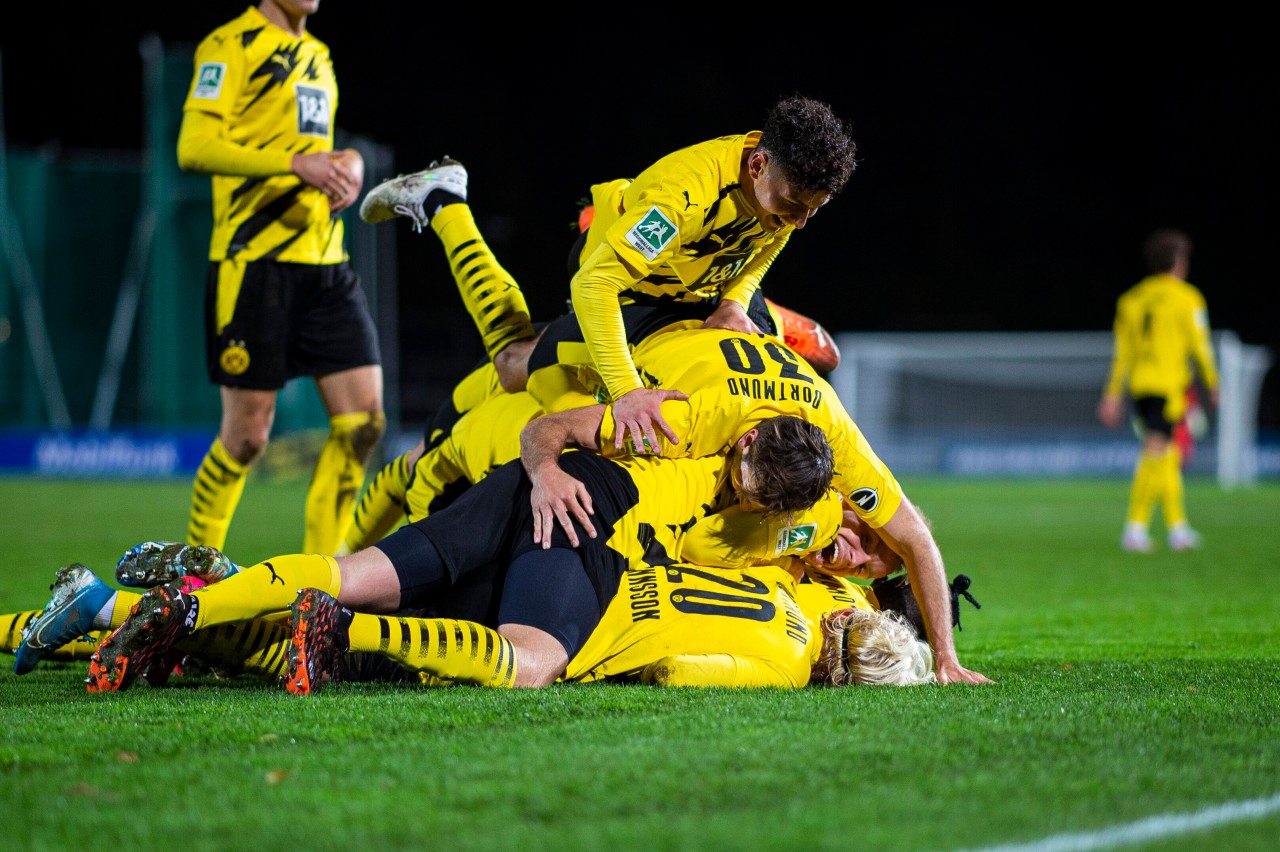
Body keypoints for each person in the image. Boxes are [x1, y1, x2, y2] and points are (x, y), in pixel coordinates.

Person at [85, 403, 838, 693]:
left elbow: (545, 423)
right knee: (532, 663)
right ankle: (333, 630)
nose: (745, 497)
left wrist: (538, 470)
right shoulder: (677, 413)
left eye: (760, 499)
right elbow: (550, 423)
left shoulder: (759, 503)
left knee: (358, 573)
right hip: (579, 521)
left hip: (510, 488)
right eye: (747, 480)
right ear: (746, 437)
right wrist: (549, 475)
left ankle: (178, 607)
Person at [359, 93, 857, 451]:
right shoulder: (683, 197)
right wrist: (628, 394)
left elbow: (767, 243)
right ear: (757, 164)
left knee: (817, 362)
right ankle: (444, 201)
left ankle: (756, 311)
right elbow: (594, 284)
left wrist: (735, 299)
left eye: (815, 209)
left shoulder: (787, 187)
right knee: (513, 367)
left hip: (701, 282)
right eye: (793, 204)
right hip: (634, 288)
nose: (799, 220)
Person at [177, 0, 385, 555]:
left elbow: (318, 149)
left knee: (363, 424)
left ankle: (324, 584)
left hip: (326, 265)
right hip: (254, 265)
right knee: (247, 439)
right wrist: (296, 166)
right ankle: (193, 579)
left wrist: (350, 166)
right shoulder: (230, 44)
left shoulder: (318, 54)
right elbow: (192, 146)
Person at [1097, 228, 1219, 553]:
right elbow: (1200, 345)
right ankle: (1135, 528)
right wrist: (1212, 382)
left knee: (1167, 455)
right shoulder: (1188, 298)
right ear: (1179, 261)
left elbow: (1121, 352)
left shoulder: (1131, 299)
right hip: (1168, 386)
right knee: (1156, 454)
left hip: (1141, 387)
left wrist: (1112, 393)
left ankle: (1178, 528)